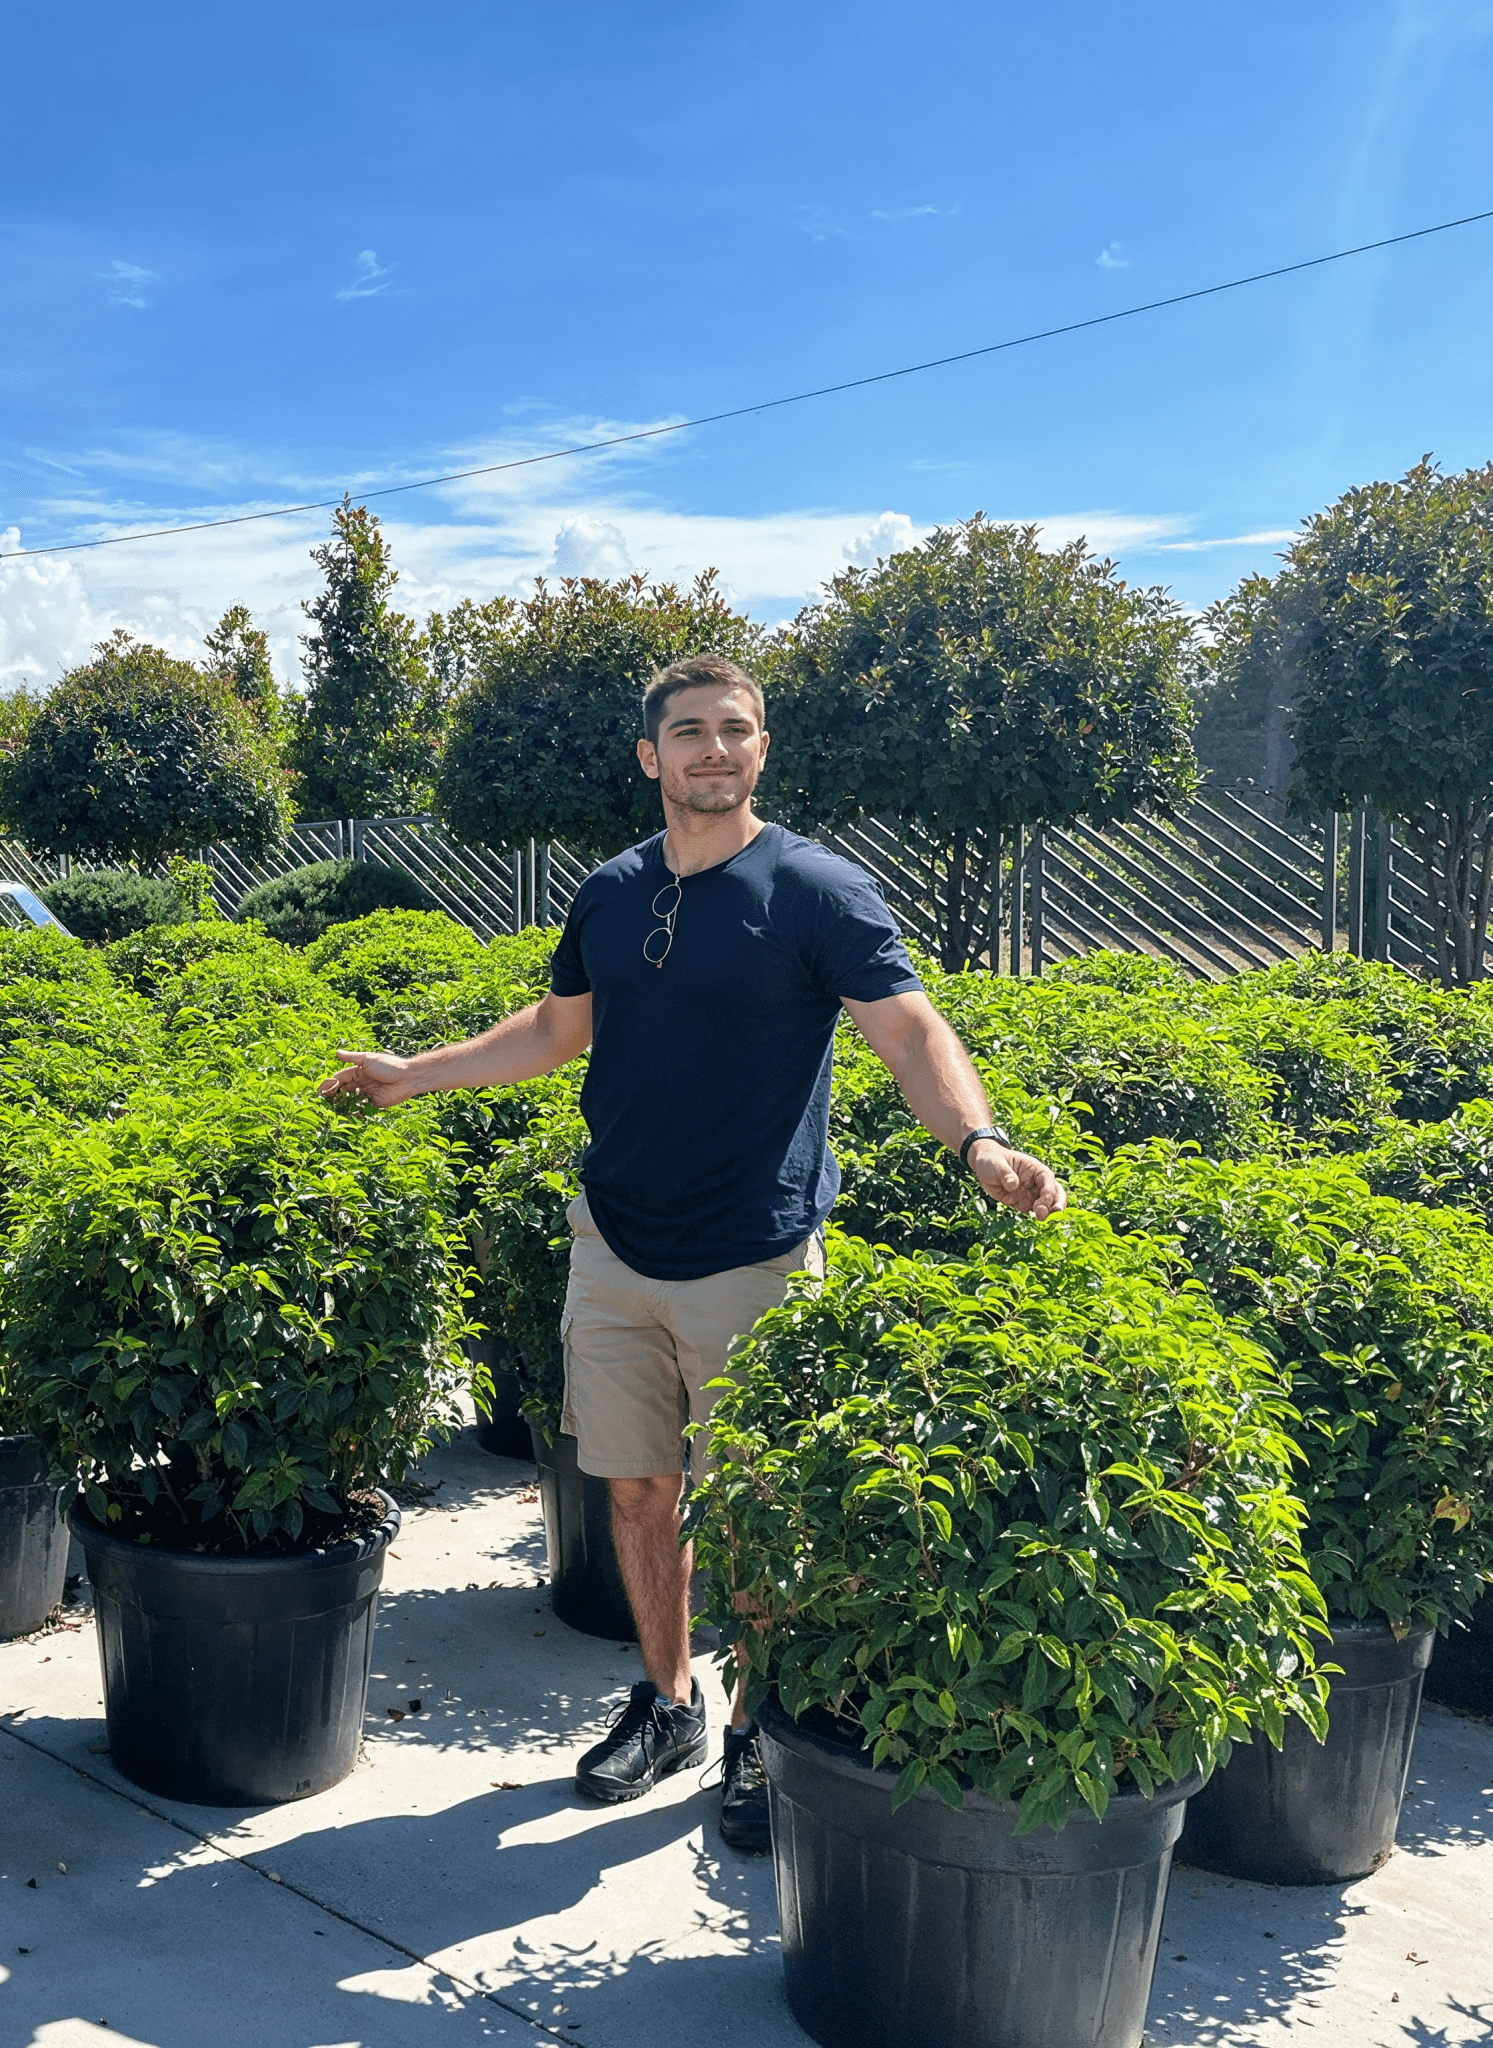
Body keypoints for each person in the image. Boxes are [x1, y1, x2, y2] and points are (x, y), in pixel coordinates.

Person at [320, 652, 1066, 1851]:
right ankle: (664, 1702)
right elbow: (561, 1029)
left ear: (759, 749)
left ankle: (756, 1729)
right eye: (688, 731)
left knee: (757, 1512)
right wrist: (420, 1072)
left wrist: (976, 1139)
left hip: (752, 1254)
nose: (712, 749)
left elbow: (907, 1025)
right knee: (632, 1490)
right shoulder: (611, 893)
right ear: (649, 756)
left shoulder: (817, 888)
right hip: (612, 1241)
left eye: (734, 729)